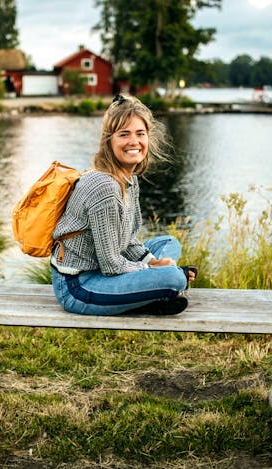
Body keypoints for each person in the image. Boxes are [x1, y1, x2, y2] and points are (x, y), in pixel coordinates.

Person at [51, 94, 196, 316]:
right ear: (109, 141)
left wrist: (154, 261)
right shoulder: (104, 186)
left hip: (104, 268)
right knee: (175, 278)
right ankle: (156, 292)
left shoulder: (129, 178)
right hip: (78, 285)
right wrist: (154, 269)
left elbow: (127, 242)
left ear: (148, 137)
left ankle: (150, 293)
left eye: (140, 134)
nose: (134, 142)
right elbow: (111, 265)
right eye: (124, 134)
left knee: (169, 242)